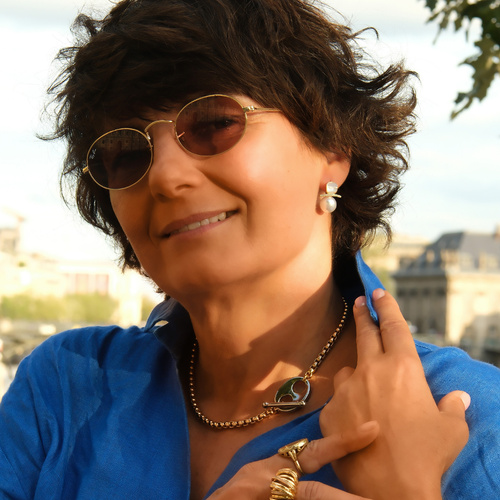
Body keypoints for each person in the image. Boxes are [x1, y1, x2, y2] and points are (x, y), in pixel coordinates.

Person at [0, 0, 499, 498]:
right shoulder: (65, 389)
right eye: (127, 153)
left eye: (214, 125)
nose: (166, 177)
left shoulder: (470, 419)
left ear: (332, 148)